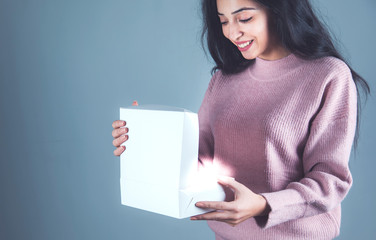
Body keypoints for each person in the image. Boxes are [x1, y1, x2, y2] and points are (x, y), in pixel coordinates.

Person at [112, 0, 370, 239]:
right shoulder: (223, 80)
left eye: (244, 18)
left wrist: (262, 205)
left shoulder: (328, 75)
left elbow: (330, 181)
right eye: (223, 21)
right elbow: (197, 162)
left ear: (278, 9)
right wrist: (144, 141)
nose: (232, 33)